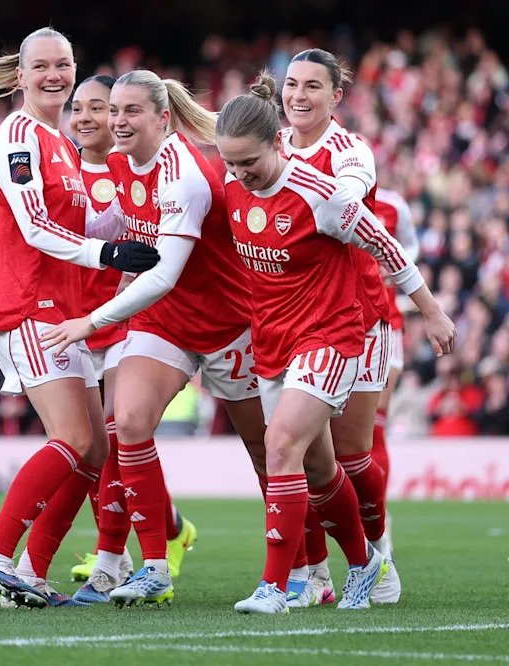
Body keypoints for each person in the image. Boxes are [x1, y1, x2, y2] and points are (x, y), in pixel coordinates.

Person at [0, 75, 196, 604]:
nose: (86, 117)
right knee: (92, 442)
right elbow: (45, 243)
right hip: (67, 321)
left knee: (110, 441)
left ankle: (105, 558)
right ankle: (36, 560)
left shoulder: (134, 170)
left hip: (117, 320)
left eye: (100, 109)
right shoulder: (64, 164)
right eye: (78, 107)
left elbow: (137, 249)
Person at [215, 72, 454, 614]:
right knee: (321, 470)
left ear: (276, 142)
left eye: (248, 163)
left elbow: (386, 247)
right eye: (231, 165)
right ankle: (367, 563)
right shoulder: (230, 187)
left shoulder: (321, 193)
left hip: (331, 334)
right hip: (272, 340)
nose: (240, 175)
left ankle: (277, 586)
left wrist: (432, 311)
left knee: (280, 447)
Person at [39, 69, 265, 606]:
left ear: (163, 119)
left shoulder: (183, 175)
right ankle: (154, 566)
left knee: (268, 451)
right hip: (163, 320)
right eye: (113, 110)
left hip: (227, 324)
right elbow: (108, 229)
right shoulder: (118, 162)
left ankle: (311, 568)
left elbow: (163, 271)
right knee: (127, 423)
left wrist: (89, 321)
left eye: (130, 111)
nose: (116, 121)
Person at [279, 48, 399, 606]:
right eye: (292, 84)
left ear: (336, 97)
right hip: (289, 318)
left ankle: (379, 550)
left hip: (357, 313)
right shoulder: (270, 145)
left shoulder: (351, 152)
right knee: (296, 449)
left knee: (351, 455)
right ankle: (315, 573)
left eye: (312, 87)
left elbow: (344, 202)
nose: (298, 95)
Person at [371, 187, 419, 540]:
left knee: (374, 428)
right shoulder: (327, 194)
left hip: (385, 323)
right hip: (336, 323)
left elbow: (411, 247)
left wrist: (393, 267)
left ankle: (379, 521)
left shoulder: (393, 204)